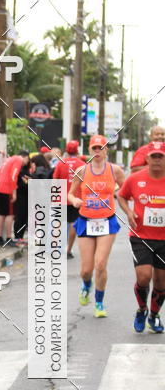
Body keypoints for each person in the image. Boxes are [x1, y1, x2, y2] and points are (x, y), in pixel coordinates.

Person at [68, 135, 126, 317]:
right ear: (89, 150)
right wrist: (75, 199)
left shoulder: (115, 170)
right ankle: (86, 284)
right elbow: (69, 194)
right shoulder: (82, 171)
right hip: (86, 221)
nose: (97, 151)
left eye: (101, 148)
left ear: (106, 149)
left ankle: (99, 303)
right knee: (86, 270)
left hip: (107, 222)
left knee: (100, 264)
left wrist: (133, 212)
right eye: (94, 148)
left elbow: (125, 192)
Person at [117, 140, 165, 333]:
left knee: (161, 282)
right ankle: (142, 309)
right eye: (153, 157)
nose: (157, 160)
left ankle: (154, 315)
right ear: (147, 159)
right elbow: (121, 195)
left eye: (160, 156)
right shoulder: (136, 178)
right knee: (144, 276)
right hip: (141, 236)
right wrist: (128, 212)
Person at [52, 140, 86, 259]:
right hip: (76, 199)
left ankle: (55, 249)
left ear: (66, 150)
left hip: (60, 197)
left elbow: (55, 181)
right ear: (77, 150)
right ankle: (68, 250)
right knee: (73, 223)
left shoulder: (60, 163)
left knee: (58, 223)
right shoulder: (82, 164)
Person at [0, 151, 29, 246]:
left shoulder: (9, 159)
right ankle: (8, 237)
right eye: (27, 159)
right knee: (10, 214)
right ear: (25, 157)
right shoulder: (18, 160)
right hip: (7, 189)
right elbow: (13, 176)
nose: (27, 162)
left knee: (1, 214)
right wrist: (14, 192)